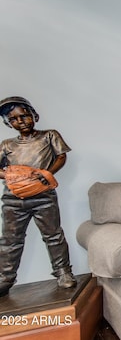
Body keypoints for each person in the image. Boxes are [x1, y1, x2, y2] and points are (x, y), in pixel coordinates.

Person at [0, 96, 76, 296]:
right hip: (13, 199)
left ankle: (63, 271)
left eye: (24, 116)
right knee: (10, 240)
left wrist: (47, 174)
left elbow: (61, 156)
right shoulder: (7, 145)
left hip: (43, 197)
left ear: (34, 115)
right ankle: (5, 277)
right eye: (14, 119)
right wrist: (12, 176)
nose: (21, 121)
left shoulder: (49, 136)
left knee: (53, 235)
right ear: (8, 123)